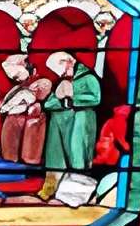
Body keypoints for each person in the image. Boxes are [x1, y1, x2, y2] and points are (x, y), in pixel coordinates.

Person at [39, 51, 102, 199]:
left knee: (77, 153)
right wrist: (62, 100)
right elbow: (49, 103)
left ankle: (77, 192)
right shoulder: (62, 82)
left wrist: (72, 98)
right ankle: (51, 186)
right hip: (60, 125)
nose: (61, 74)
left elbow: (95, 98)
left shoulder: (88, 78)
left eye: (61, 69)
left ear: (69, 62)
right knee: (56, 155)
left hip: (80, 122)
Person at [0, 54, 48, 166]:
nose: (16, 78)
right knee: (9, 151)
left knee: (26, 150)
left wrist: (5, 107)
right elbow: (9, 101)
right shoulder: (17, 87)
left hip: (25, 120)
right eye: (13, 77)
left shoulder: (37, 85)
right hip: (12, 119)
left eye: (18, 74)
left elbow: (28, 97)